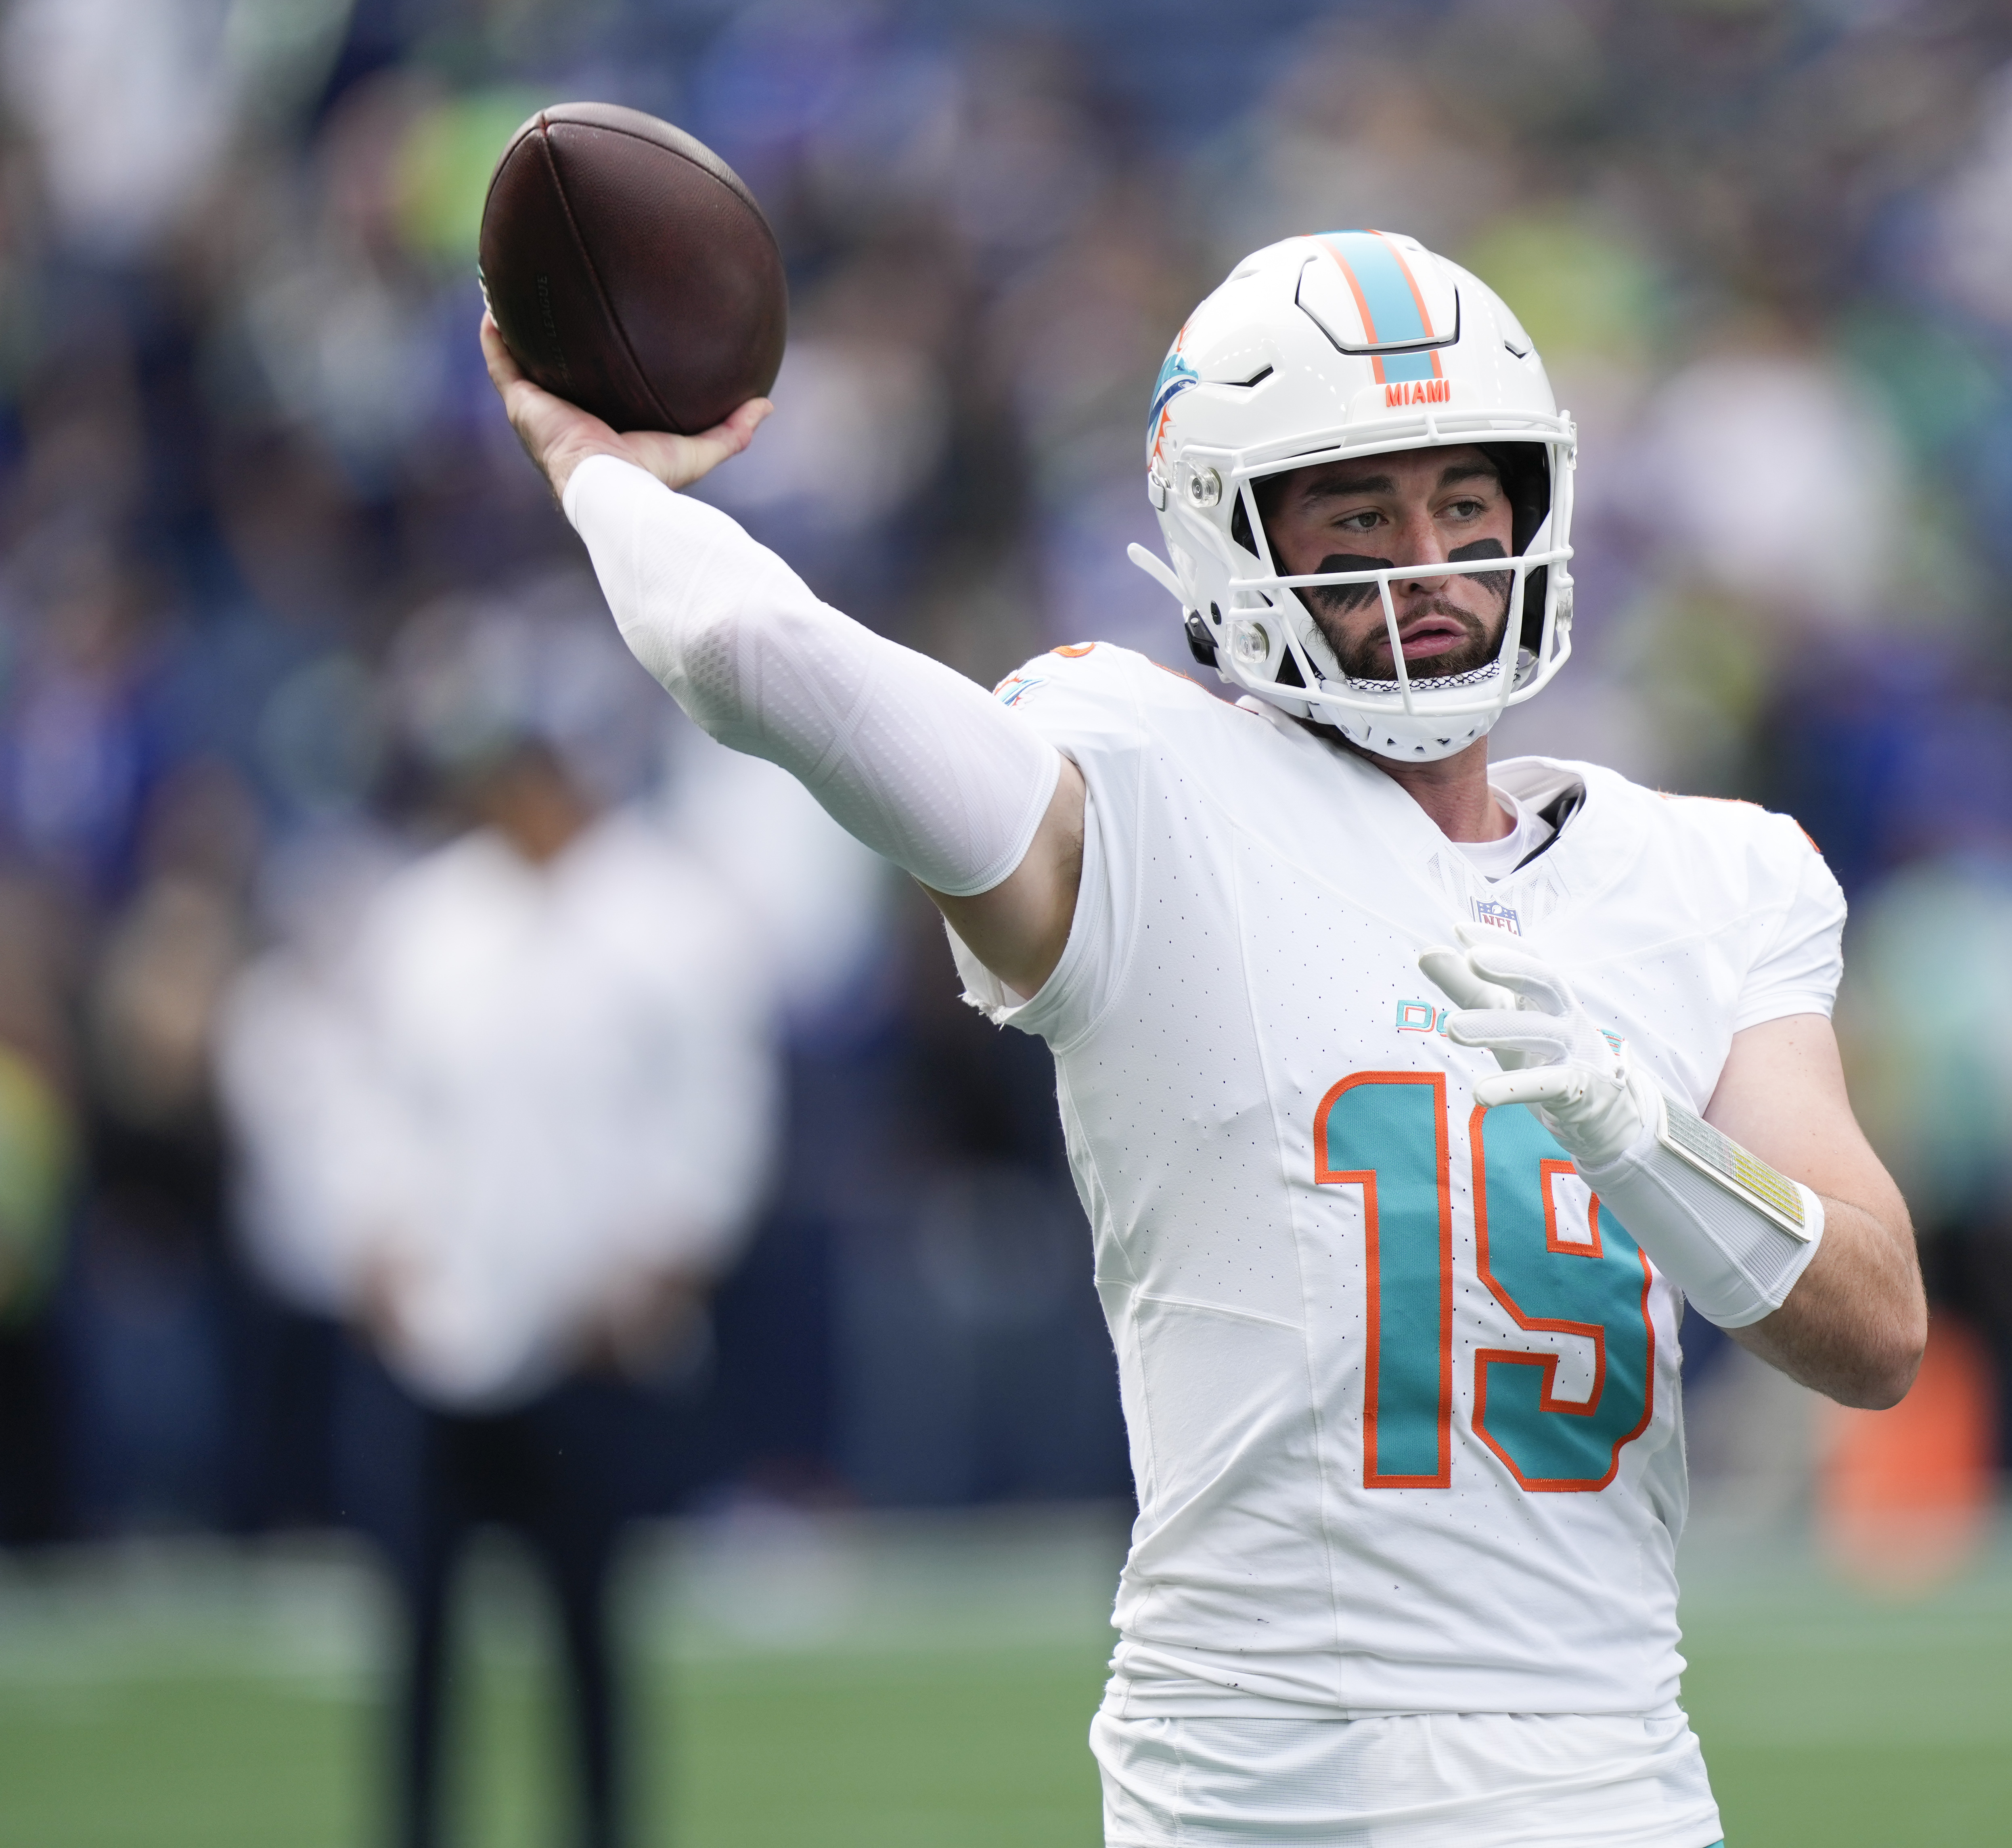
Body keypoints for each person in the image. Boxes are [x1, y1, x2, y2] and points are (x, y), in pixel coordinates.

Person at [484, 228, 1924, 1848]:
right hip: (1254, 1782)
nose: (1427, 561)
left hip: (1606, 1768)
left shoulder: (1708, 872)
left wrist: (1636, 1130)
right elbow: (753, 655)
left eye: (1465, 502)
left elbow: (1872, 1329)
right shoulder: (1141, 794)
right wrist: (605, 476)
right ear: (1230, 537)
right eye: (1358, 511)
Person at [217, 613, 779, 1848]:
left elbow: (715, 1122)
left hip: (594, 1338)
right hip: (439, 1329)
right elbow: (358, 1097)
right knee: (418, 1622)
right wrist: (367, 1241)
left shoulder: (667, 916)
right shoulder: (427, 918)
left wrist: (655, 1262)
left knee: (588, 1622)